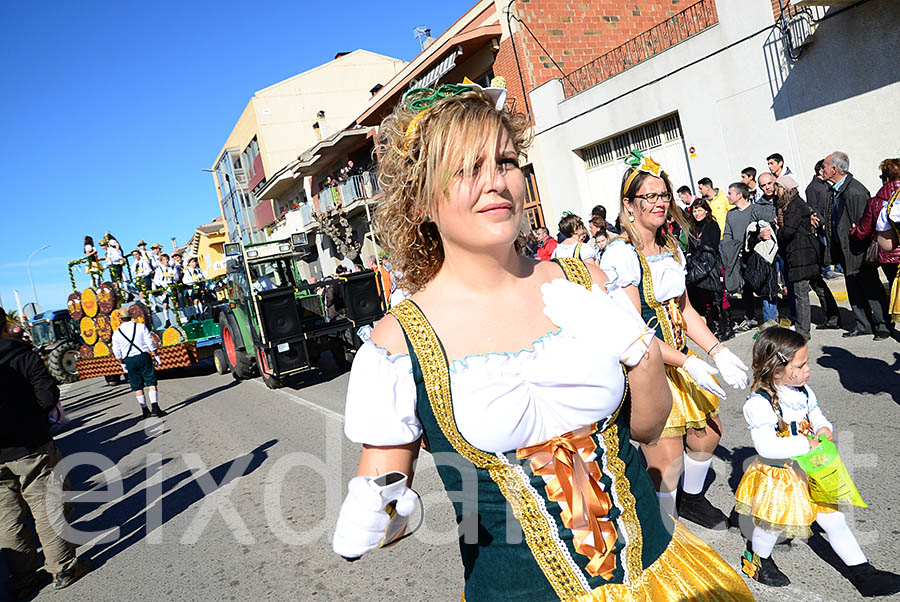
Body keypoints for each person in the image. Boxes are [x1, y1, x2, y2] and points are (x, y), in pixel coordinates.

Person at [331, 84, 754, 601]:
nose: (497, 183)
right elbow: (384, 499)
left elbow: (646, 428)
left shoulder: (585, 281)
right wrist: (386, 514)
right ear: (421, 200)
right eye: (467, 168)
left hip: (659, 578)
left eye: (506, 162)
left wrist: (638, 350)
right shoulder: (397, 343)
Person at [600, 153, 749, 531]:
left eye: (663, 194)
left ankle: (693, 499)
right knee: (666, 459)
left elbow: (683, 309)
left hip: (678, 357)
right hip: (647, 364)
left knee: (707, 433)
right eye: (648, 196)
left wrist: (718, 351)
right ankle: (666, 532)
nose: (659, 202)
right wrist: (689, 363)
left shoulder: (670, 247)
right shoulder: (621, 254)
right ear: (628, 205)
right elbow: (636, 331)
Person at [735, 327, 900, 596]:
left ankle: (862, 572)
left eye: (807, 362)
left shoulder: (803, 392)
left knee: (833, 519)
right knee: (773, 523)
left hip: (812, 468)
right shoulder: (759, 403)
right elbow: (765, 445)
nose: (808, 369)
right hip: (781, 473)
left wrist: (824, 428)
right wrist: (805, 443)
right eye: (801, 365)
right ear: (776, 369)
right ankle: (757, 560)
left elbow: (816, 415)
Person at [0, 307, 94, 596]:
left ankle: (25, 575)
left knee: (6, 515)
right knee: (45, 506)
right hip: (30, 446)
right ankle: (63, 568)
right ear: (5, 325)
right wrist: (32, 421)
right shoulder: (22, 355)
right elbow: (47, 395)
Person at [824, 151, 890, 339]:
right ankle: (863, 324)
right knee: (853, 287)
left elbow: (865, 224)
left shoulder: (854, 191)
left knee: (870, 288)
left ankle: (882, 325)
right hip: (845, 250)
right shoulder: (835, 191)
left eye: (826, 166)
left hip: (858, 250)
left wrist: (855, 240)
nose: (823, 170)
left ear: (835, 169)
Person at [774, 175, 840, 339]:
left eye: (779, 188)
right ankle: (833, 317)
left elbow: (788, 231)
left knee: (800, 293)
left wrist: (777, 230)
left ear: (786, 189)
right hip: (805, 251)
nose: (776, 192)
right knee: (818, 286)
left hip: (801, 254)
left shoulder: (794, 205)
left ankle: (803, 331)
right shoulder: (792, 203)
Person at [722, 182, 778, 330]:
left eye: (730, 193)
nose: (728, 196)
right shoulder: (731, 214)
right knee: (745, 289)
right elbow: (727, 235)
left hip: (758, 255)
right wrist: (733, 250)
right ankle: (750, 318)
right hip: (740, 256)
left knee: (764, 287)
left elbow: (765, 229)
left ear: (740, 194)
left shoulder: (755, 210)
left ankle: (771, 318)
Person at [852, 158, 900, 289]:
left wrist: (852, 232)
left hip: (890, 258)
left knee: (896, 290)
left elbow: (864, 231)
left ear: (887, 178)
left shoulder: (876, 202)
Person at [685, 199, 729, 339]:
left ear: (706, 210)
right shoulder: (692, 227)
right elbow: (691, 248)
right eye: (695, 210)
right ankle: (715, 326)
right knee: (705, 297)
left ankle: (727, 327)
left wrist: (698, 251)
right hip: (699, 267)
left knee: (719, 296)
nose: (697, 213)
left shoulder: (712, 225)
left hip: (712, 265)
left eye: (699, 210)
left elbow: (712, 246)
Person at [111, 310, 166, 418]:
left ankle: (145, 410)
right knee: (151, 382)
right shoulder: (141, 327)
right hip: (143, 356)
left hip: (129, 360)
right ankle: (155, 408)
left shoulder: (117, 333)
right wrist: (156, 355)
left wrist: (122, 363)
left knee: (137, 386)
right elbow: (150, 342)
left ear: (120, 319)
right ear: (131, 317)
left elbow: (116, 351)